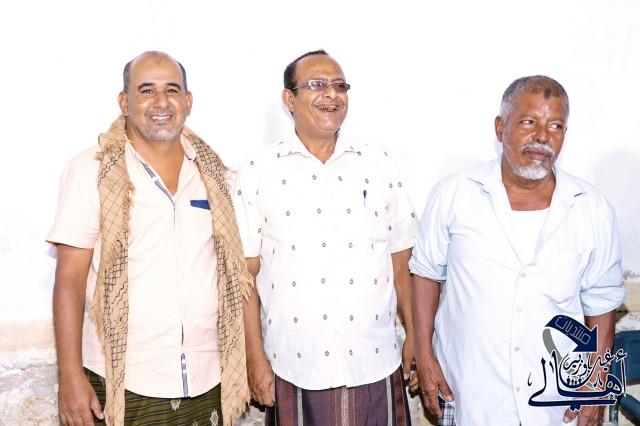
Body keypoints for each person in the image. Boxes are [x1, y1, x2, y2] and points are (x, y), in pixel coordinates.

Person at [48, 51, 252, 426]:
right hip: (122, 379)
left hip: (208, 376)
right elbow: (69, 280)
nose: (161, 102)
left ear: (188, 101)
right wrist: (70, 376)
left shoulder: (215, 175)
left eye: (172, 90)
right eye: (146, 90)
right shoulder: (91, 171)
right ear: (125, 102)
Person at [410, 75, 626, 426]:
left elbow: (601, 301)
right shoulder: (455, 194)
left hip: (554, 400)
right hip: (470, 390)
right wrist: (423, 352)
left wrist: (595, 382)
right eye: (528, 122)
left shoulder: (592, 208)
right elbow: (425, 273)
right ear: (500, 128)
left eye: (555, 126)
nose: (542, 136)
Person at [233, 50, 418, 425]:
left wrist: (415, 336)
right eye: (317, 84)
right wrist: (254, 358)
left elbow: (402, 263)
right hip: (295, 365)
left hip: (375, 361)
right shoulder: (257, 172)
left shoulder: (378, 164)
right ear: (289, 99)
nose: (331, 94)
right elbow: (244, 278)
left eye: (340, 86)